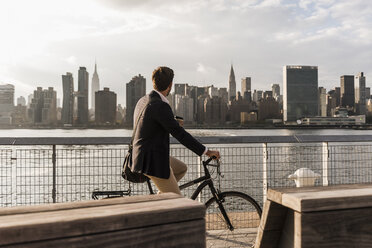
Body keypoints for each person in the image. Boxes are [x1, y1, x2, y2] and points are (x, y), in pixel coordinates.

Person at [131, 66, 220, 195]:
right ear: (170, 85)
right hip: (151, 161)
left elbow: (150, 123)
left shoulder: (144, 100)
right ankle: (168, 201)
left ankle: (162, 199)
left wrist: (172, 122)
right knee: (178, 201)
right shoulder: (160, 105)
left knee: (181, 169)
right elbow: (180, 135)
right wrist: (206, 151)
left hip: (142, 156)